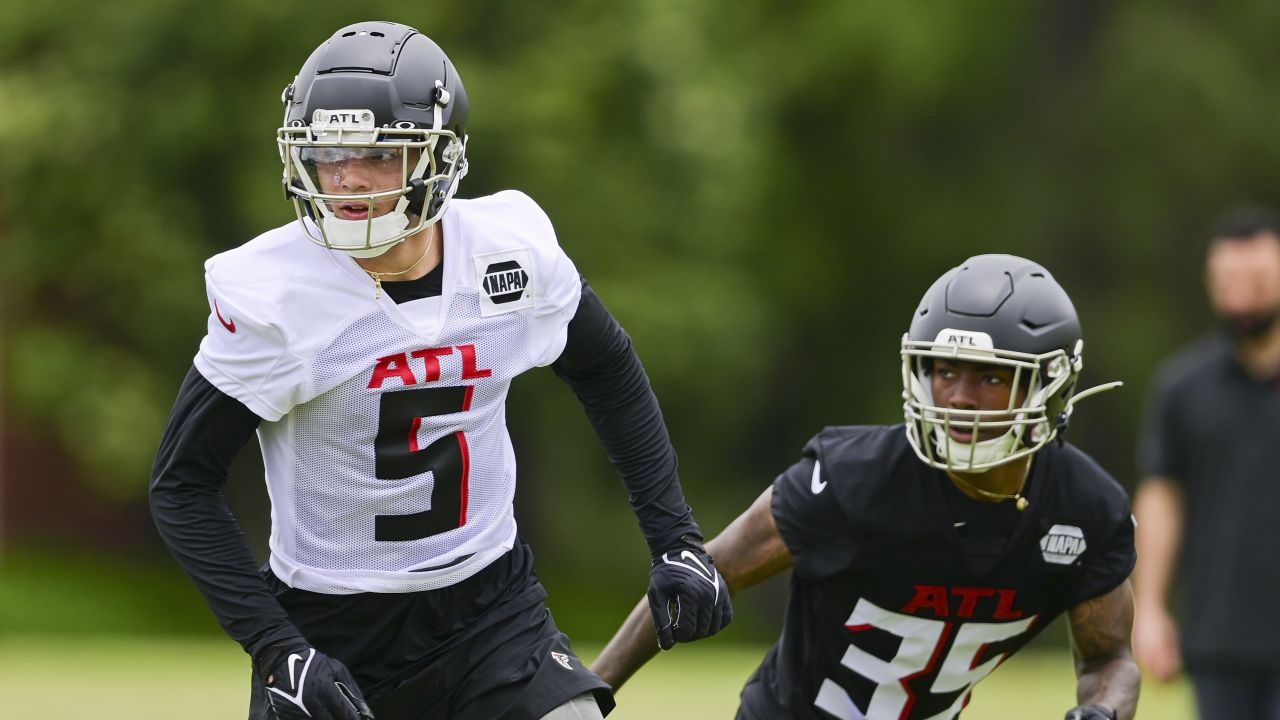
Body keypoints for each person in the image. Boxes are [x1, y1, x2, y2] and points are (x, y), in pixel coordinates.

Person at [149, 20, 731, 720]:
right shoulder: (277, 295)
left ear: (439, 157)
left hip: (490, 609)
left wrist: (676, 541)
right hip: (331, 628)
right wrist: (278, 649)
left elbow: (607, 369)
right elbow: (181, 483)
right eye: (328, 154)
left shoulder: (508, 254)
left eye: (375, 154)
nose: (347, 179)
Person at [591, 254, 1140, 720]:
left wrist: (1100, 713)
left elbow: (1108, 659)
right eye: (945, 371)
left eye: (992, 377)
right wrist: (589, 694)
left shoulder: (1087, 511)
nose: (959, 399)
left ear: (1051, 387)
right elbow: (701, 576)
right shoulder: (856, 478)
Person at [1132, 205, 1280, 719]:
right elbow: (1161, 496)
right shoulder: (1182, 389)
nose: (1242, 295)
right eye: (1227, 281)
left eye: (1257, 279)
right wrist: (1149, 608)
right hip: (1220, 642)